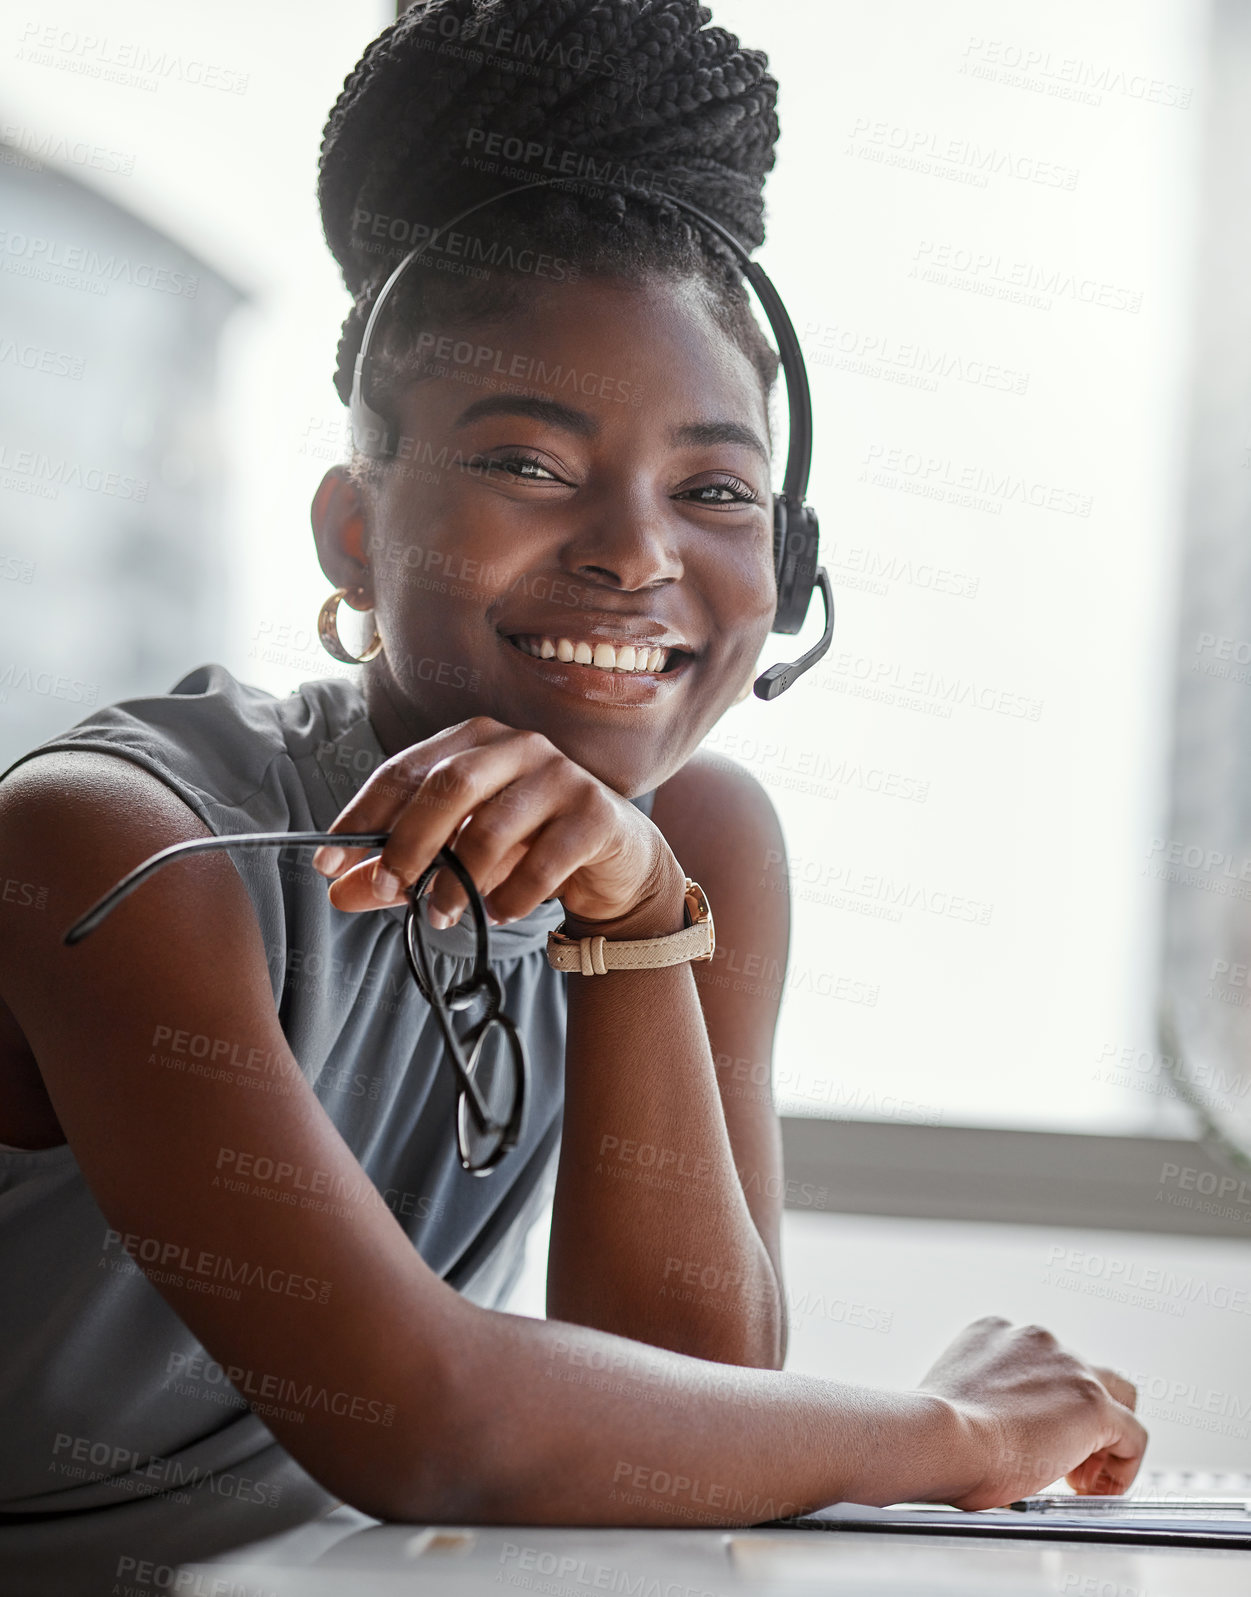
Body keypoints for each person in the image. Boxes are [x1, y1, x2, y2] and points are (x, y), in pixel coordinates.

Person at [0, 0, 1145, 1588]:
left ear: (789, 562)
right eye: (530, 463)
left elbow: (698, 1402)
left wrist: (634, 934)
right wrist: (947, 1431)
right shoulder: (116, 840)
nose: (635, 551)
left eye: (717, 489)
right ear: (350, 529)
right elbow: (420, 1417)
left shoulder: (704, 845)